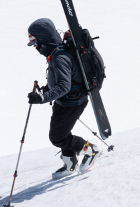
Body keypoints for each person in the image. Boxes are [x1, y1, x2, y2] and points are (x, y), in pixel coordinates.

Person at [26, 18, 101, 179]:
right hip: (65, 101)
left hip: (72, 102)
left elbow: (64, 86)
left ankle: (90, 149)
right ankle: (70, 164)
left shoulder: (60, 57)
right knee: (62, 133)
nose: (35, 47)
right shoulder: (56, 53)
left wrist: (42, 97)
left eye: (34, 42)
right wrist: (47, 89)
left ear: (43, 40)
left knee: (57, 137)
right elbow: (63, 80)